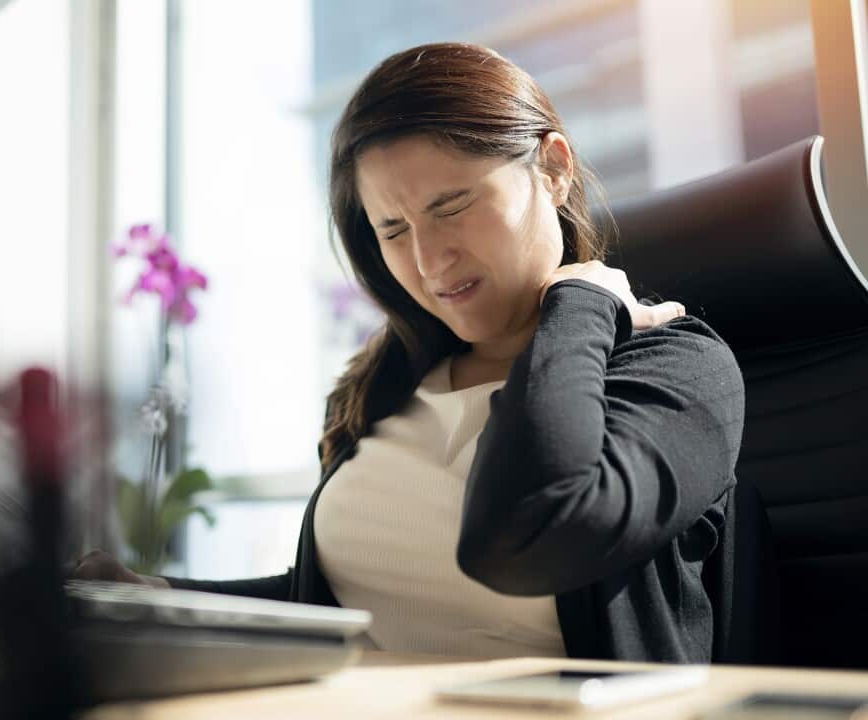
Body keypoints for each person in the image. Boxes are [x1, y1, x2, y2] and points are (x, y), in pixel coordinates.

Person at [74, 42, 748, 664]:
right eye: (393, 229)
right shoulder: (386, 383)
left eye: (452, 205)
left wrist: (578, 306)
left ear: (553, 168)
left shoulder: (679, 368)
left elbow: (527, 537)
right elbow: (351, 606)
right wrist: (155, 593)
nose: (429, 261)